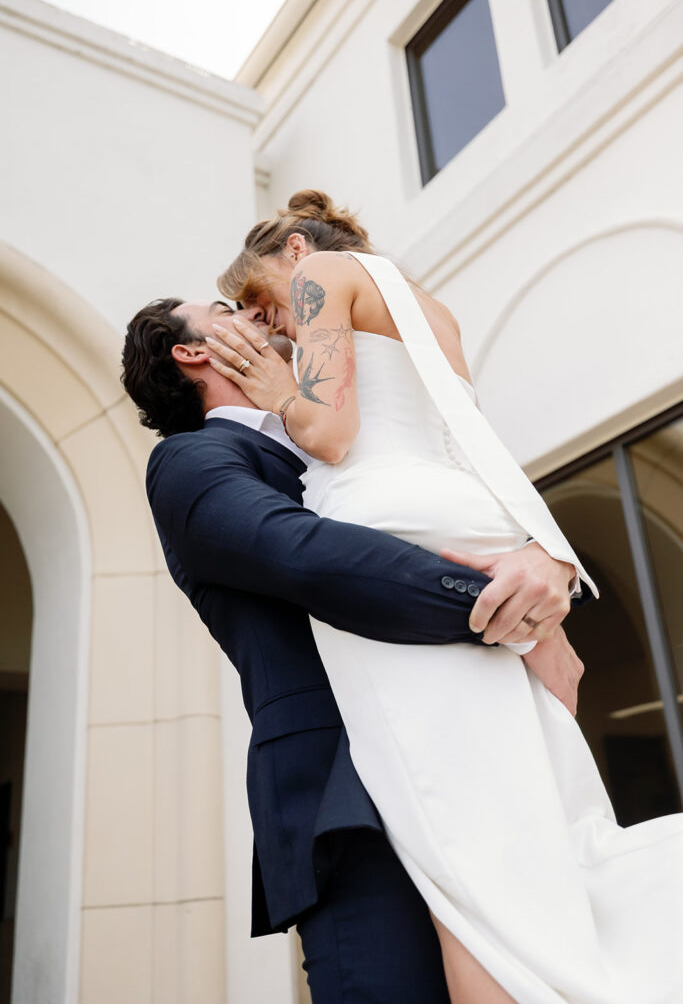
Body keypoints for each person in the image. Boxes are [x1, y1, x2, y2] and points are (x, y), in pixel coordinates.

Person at [213, 190, 683, 1004]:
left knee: (453, 854)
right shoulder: (432, 309)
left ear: (292, 250)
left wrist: (274, 389)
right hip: (470, 526)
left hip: (387, 525)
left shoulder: (322, 273)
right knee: (520, 822)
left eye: (262, 302)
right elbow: (469, 444)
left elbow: (329, 434)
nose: (274, 327)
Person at [122, 296, 586, 1004]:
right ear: (191, 353)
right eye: (226, 309)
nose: (255, 310)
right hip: (348, 794)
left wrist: (544, 568)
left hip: (481, 758)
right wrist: (513, 617)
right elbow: (305, 556)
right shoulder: (192, 461)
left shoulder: (354, 441)